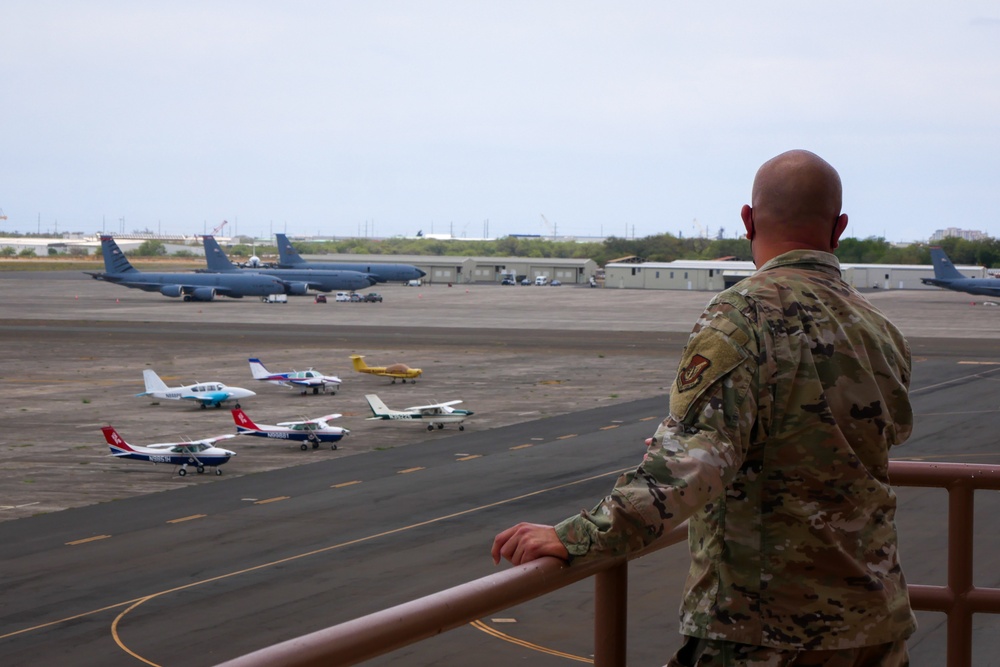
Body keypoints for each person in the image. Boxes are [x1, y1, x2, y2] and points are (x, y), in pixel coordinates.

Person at [492, 150, 916, 666]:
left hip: (767, 629)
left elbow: (691, 465)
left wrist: (577, 537)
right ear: (840, 227)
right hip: (874, 624)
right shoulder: (879, 326)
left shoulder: (743, 313)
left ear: (747, 220)